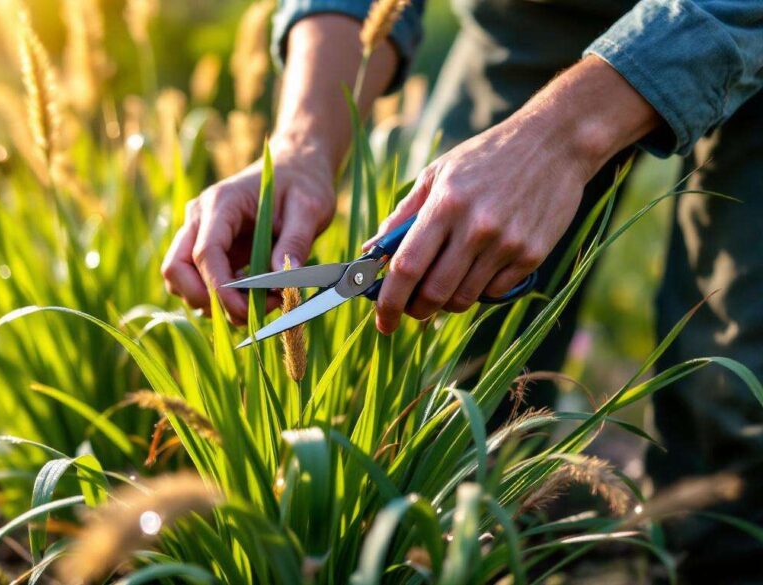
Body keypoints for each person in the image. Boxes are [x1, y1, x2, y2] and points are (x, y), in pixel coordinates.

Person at [162, 0, 763, 581]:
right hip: (533, 12)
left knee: (733, 407)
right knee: (454, 395)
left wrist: (558, 137)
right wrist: (302, 147)